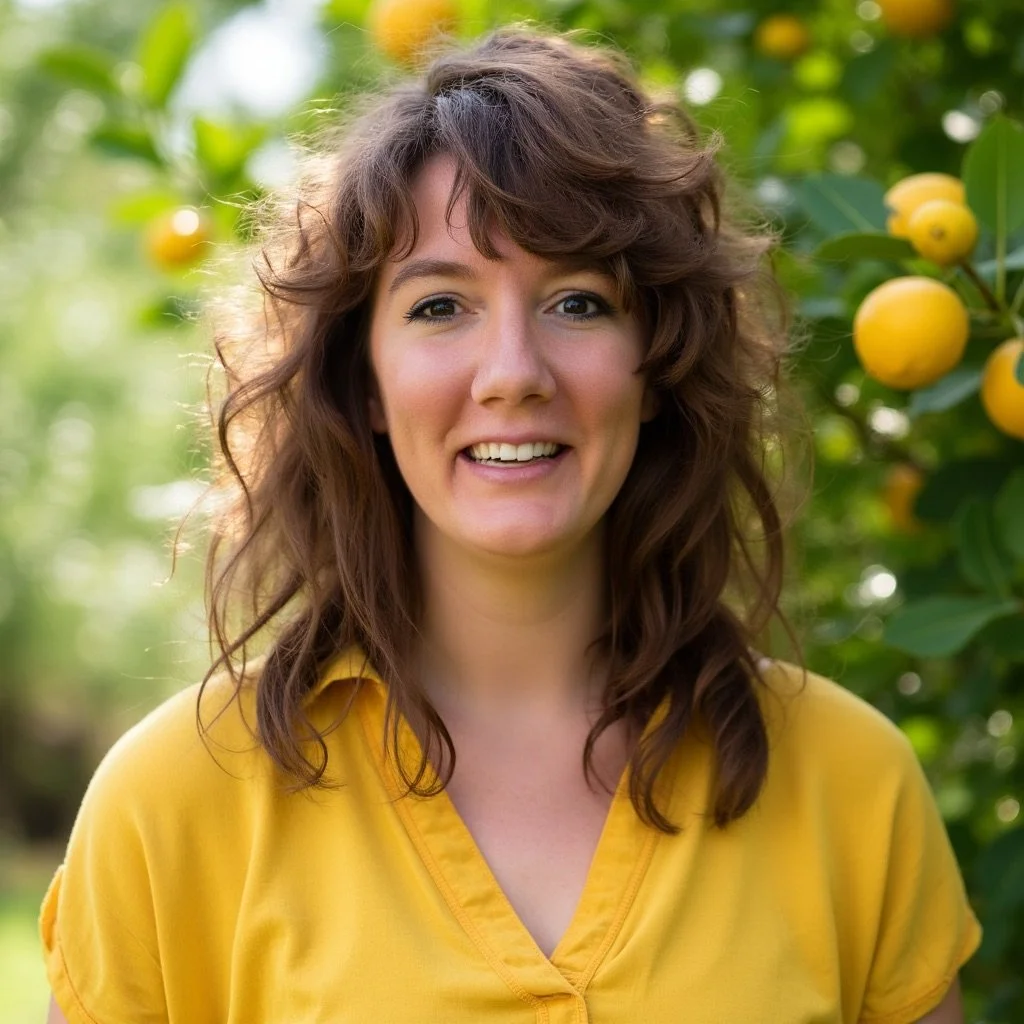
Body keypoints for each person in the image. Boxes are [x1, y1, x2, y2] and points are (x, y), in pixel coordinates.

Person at [41, 27, 980, 1024]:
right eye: (440, 306)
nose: (513, 373)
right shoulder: (172, 803)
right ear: (363, 381)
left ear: (658, 365)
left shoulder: (852, 785)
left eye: (577, 301)